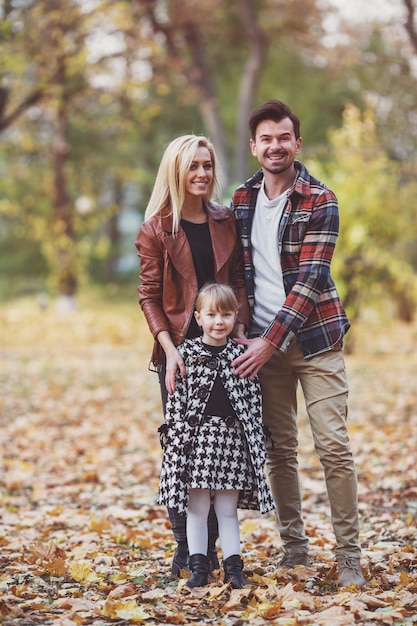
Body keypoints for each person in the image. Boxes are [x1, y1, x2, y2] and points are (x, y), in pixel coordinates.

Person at [230, 99, 366, 588]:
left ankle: (350, 557)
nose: (275, 146)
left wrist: (268, 341)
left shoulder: (320, 198)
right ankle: (295, 551)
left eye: (283, 137)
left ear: (297, 143)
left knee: (332, 445)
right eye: (266, 138)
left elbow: (310, 280)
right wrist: (243, 331)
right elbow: (234, 272)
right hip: (260, 346)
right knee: (279, 451)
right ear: (253, 146)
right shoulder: (240, 201)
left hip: (315, 340)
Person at [135, 134, 250, 578]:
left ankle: (212, 551)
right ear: (176, 172)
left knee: (224, 451)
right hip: (181, 354)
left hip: (224, 349)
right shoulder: (156, 229)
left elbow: (237, 279)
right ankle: (186, 550)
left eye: (207, 165)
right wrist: (169, 351)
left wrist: (239, 327)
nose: (202, 173)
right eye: (193, 166)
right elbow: (148, 296)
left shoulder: (225, 220)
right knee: (184, 453)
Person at [157, 283, 275, 588]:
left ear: (236, 316)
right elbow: (176, 401)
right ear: (198, 318)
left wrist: (256, 443)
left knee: (226, 509)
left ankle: (234, 569)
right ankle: (199, 567)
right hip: (196, 443)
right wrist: (175, 442)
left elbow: (253, 403)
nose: (218, 321)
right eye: (211, 314)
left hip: (231, 442)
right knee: (196, 508)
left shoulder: (241, 356)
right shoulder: (187, 355)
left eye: (225, 314)